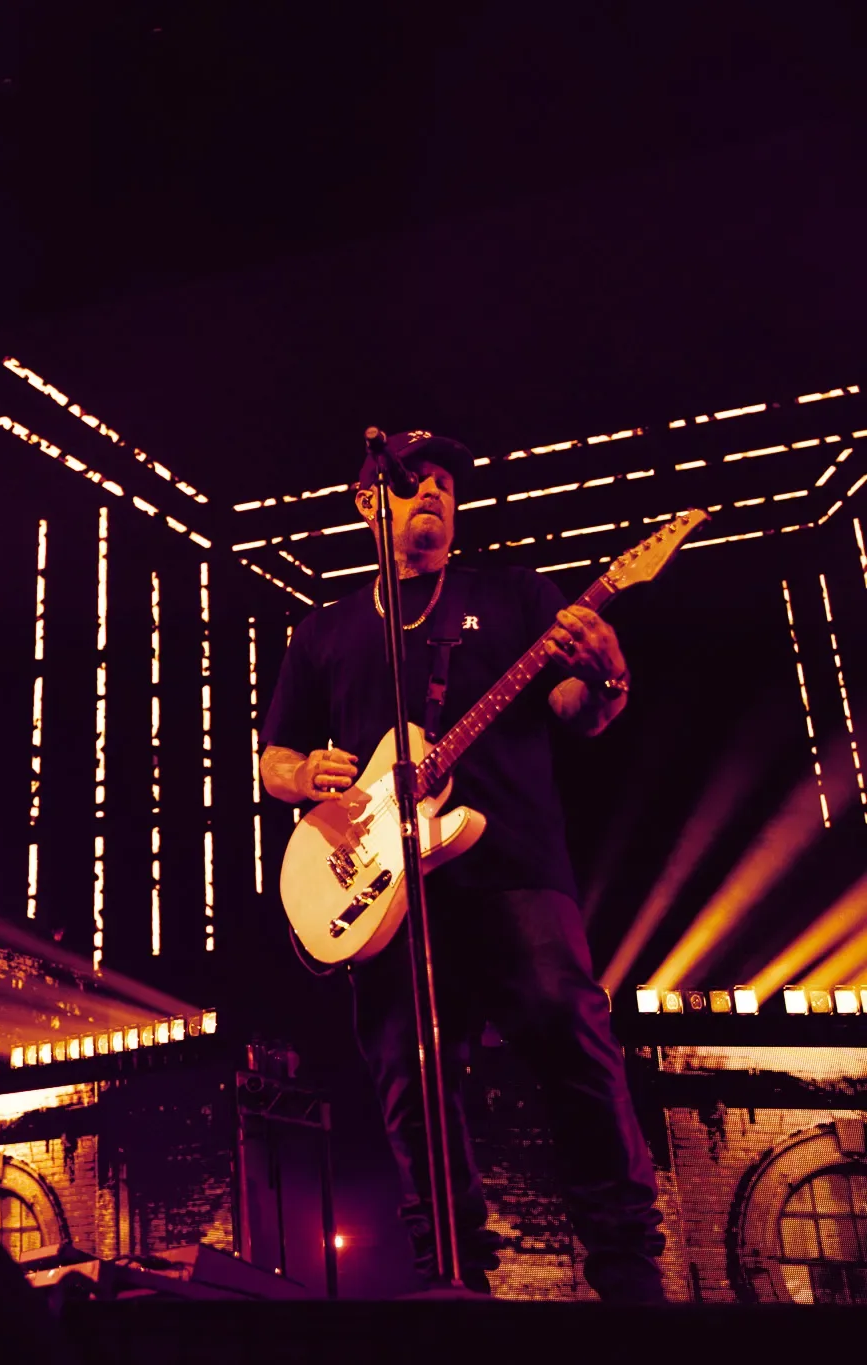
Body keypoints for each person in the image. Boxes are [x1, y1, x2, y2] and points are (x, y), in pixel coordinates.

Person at [259, 430, 664, 1301]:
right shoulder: (324, 630)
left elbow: (576, 711)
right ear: (370, 502)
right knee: (409, 1073)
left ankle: (628, 1263)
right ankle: (452, 1273)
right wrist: (304, 773)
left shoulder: (513, 594)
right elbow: (274, 757)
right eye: (415, 481)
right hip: (386, 885)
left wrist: (608, 677)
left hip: (514, 863)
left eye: (446, 483)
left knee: (570, 1029)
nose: (435, 493)